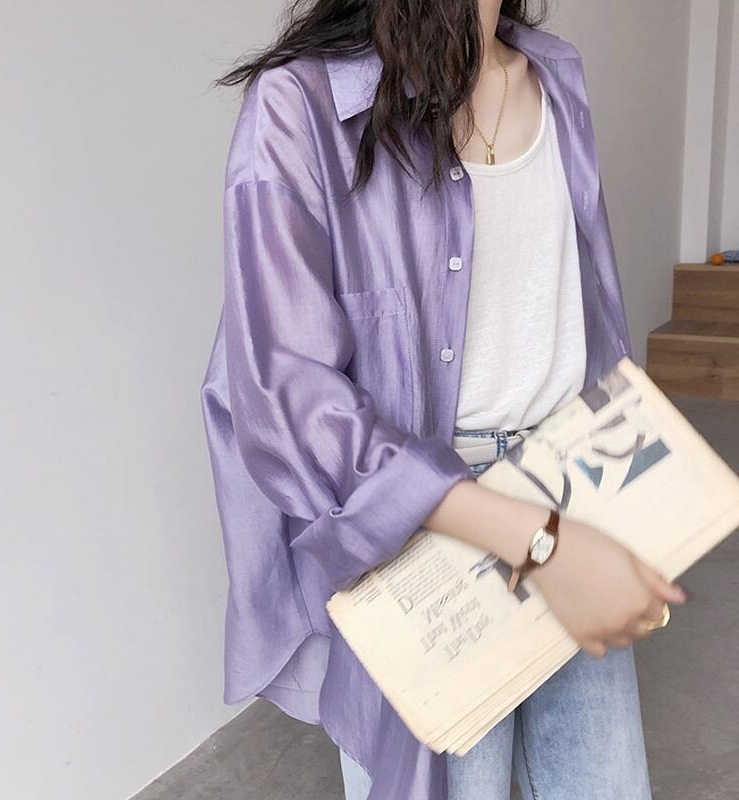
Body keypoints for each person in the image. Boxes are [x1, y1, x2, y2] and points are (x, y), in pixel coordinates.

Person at [200, 2, 688, 798]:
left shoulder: (555, 74)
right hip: (424, 532)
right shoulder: (304, 105)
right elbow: (286, 393)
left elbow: (589, 318)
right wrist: (536, 542)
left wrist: (620, 500)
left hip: (570, 494)